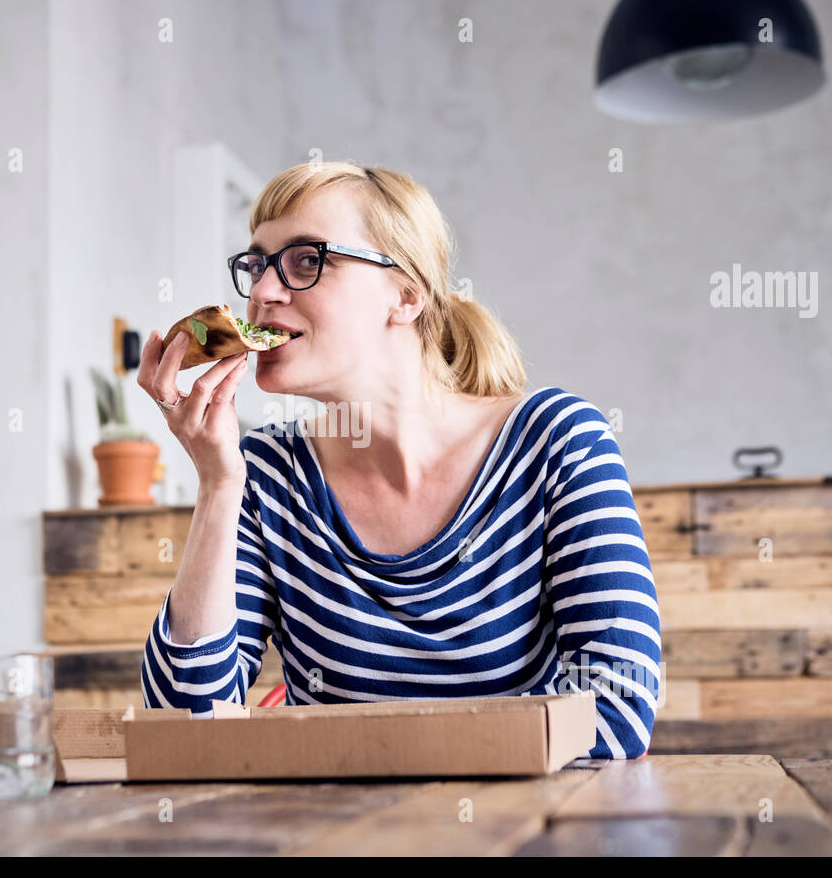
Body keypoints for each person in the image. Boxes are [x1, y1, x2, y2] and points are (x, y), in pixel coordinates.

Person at [135, 161, 659, 759]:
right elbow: (186, 729)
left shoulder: (557, 441)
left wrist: (358, 755)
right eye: (256, 265)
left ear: (405, 295)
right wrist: (218, 486)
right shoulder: (264, 474)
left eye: (308, 260)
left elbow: (619, 709)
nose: (261, 292)